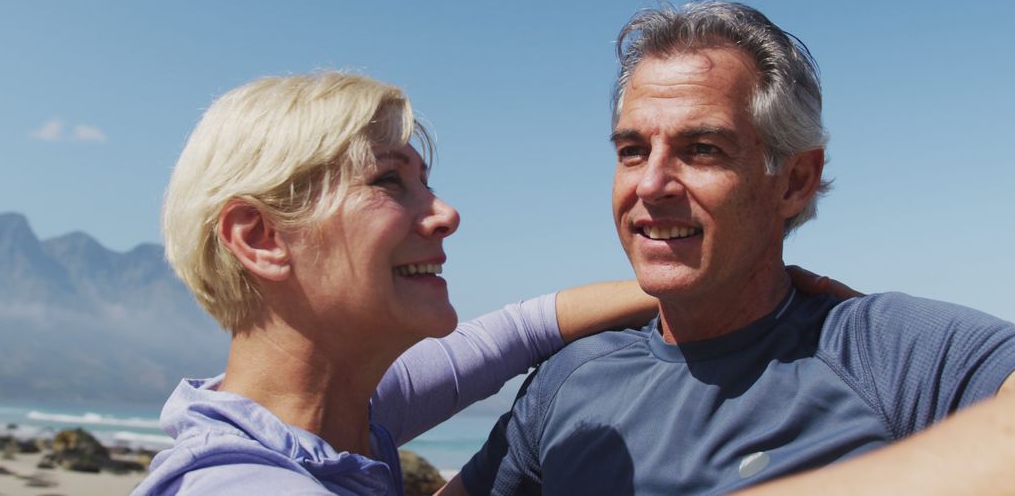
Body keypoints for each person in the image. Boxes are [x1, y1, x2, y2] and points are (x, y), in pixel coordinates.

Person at [446, 0, 1015, 495]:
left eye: (703, 149)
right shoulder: (569, 380)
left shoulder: (881, 349)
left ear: (794, 181)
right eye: (632, 151)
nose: (651, 184)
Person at [132, 72, 664, 495]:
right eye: (388, 180)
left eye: (426, 183)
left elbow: (522, 329)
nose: (447, 214)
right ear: (261, 237)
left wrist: (692, 287)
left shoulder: (341, 417)